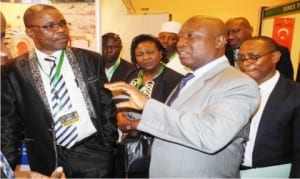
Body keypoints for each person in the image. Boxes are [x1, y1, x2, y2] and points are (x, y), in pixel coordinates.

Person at [105, 15, 260, 178]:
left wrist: (147, 105)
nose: (180, 43)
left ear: (219, 41)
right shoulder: (189, 78)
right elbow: (175, 125)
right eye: (180, 37)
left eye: (191, 36)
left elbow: (211, 135)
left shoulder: (239, 83)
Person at [1, 4, 118, 178]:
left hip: (93, 153)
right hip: (48, 157)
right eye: (49, 26)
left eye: (62, 23)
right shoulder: (14, 70)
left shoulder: (90, 60)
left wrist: (108, 145)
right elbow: (9, 124)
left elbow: (106, 103)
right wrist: (6, 171)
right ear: (30, 33)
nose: (61, 30)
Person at [118, 34, 183, 177]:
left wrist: (134, 124)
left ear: (161, 53)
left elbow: (171, 115)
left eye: (150, 52)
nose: (145, 58)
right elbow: (121, 101)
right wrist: (121, 117)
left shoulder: (174, 79)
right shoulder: (131, 74)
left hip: (160, 143)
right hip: (132, 142)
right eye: (140, 54)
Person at [237, 36, 300, 178]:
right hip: (231, 171)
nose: (246, 63)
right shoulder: (233, 91)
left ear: (274, 57)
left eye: (253, 57)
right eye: (241, 58)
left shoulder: (295, 95)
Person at [225, 17, 294, 80]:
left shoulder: (276, 50)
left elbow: (286, 80)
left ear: (250, 29)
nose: (230, 37)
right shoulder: (225, 54)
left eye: (236, 31)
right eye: (227, 33)